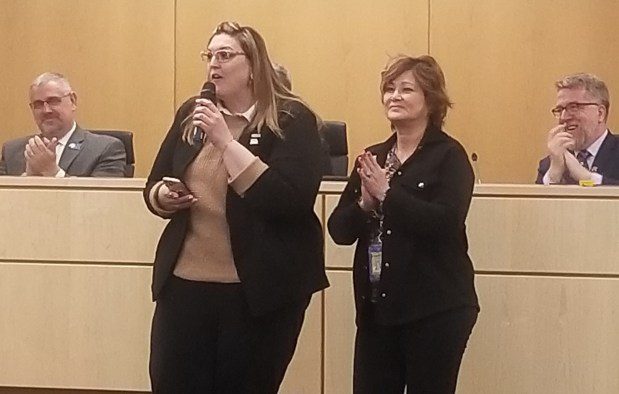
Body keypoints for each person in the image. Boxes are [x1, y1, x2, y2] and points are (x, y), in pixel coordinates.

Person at [143, 21, 328, 393]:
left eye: (225, 55)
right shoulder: (191, 114)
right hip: (185, 287)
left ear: (253, 65)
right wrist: (163, 196)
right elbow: (155, 180)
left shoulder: (292, 120)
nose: (214, 64)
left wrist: (226, 142)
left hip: (258, 293)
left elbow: (289, 201)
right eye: (209, 55)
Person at [327, 55, 479, 394]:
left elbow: (445, 222)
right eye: (389, 89)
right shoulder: (374, 156)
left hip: (435, 308)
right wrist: (366, 203)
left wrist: (387, 193)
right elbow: (339, 230)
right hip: (377, 310)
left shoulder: (449, 156)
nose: (394, 96)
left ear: (431, 99)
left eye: (406, 89)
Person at [0, 72, 126, 177]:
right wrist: (27, 180)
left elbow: (102, 201)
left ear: (72, 101)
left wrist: (53, 172)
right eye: (38, 104)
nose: (46, 110)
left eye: (53, 101)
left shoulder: (105, 149)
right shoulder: (12, 151)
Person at [536, 73, 619, 185]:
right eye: (560, 110)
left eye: (574, 107)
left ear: (600, 113)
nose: (564, 117)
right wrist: (554, 175)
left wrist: (588, 178)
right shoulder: (549, 164)